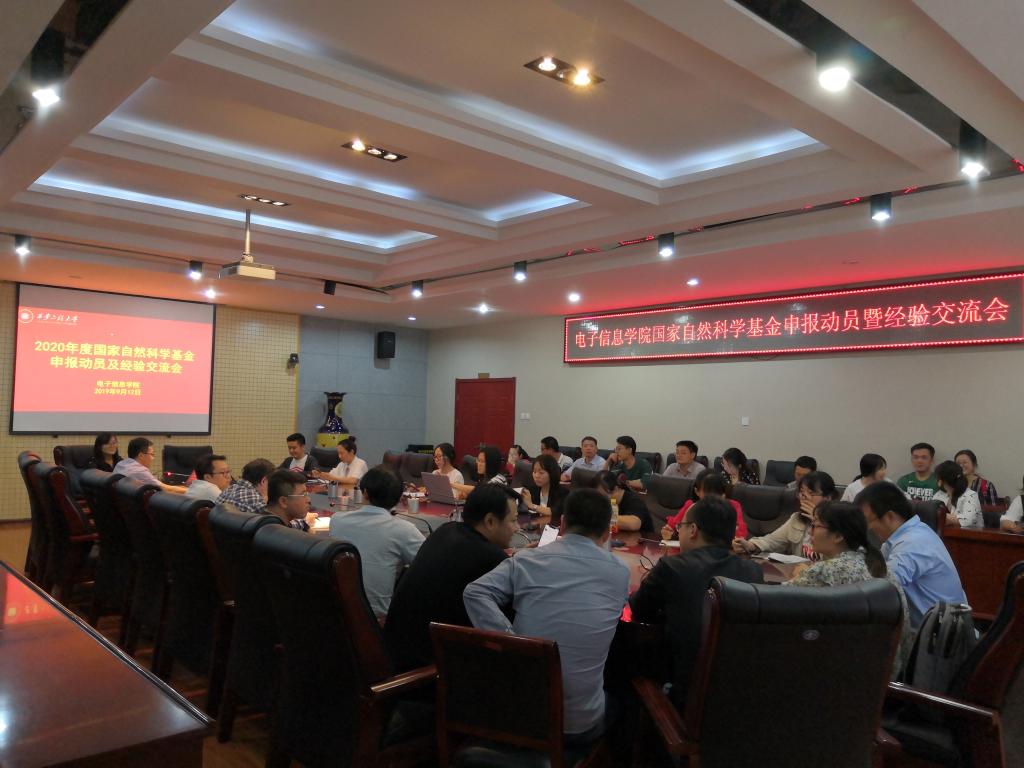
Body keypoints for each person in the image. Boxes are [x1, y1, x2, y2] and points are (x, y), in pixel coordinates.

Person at [464, 488, 630, 746]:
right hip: (576, 727)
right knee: (622, 694)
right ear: (607, 533)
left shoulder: (526, 560)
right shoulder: (621, 571)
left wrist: (512, 642)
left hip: (516, 717)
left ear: (561, 524)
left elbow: (475, 592)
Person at [630, 496, 763, 707]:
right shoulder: (753, 572)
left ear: (692, 530)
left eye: (681, 526)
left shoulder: (671, 567)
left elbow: (639, 609)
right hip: (739, 697)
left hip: (684, 696)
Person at [384, 484, 519, 671]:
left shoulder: (446, 530)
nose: (517, 528)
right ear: (490, 521)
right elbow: (513, 620)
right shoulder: (491, 559)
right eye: (513, 520)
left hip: (391, 651)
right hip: (428, 670)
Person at [784, 501, 912, 676]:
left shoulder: (826, 570)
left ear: (838, 536)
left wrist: (799, 575)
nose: (810, 532)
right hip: (885, 673)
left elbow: (775, 601)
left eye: (815, 526)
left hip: (842, 673)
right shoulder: (876, 563)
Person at [856, 481, 966, 629]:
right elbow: (873, 569)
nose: (867, 528)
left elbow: (880, 586)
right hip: (930, 629)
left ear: (889, 516)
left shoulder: (914, 543)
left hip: (940, 636)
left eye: (868, 521)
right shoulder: (903, 536)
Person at [328, 467, 423, 617]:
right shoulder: (404, 530)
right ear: (399, 498)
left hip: (335, 611)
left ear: (365, 492)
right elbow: (430, 565)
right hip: (376, 619)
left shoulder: (336, 520)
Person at [733, 471, 838, 559]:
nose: (804, 498)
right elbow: (771, 541)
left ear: (828, 498)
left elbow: (838, 561)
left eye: (811, 493)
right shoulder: (796, 519)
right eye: (802, 493)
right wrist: (749, 545)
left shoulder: (838, 525)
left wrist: (818, 521)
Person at [662, 469, 748, 540]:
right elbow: (674, 525)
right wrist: (669, 531)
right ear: (697, 491)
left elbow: (740, 533)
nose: (713, 497)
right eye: (708, 493)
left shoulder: (733, 506)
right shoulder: (691, 505)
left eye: (717, 492)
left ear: (724, 493)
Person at [112, 437, 186, 493]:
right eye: (152, 454)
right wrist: (189, 491)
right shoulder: (139, 471)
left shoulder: (121, 464)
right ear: (141, 455)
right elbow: (166, 489)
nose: (153, 458)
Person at [933, 460, 982, 528]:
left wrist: (942, 515)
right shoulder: (939, 495)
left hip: (969, 533)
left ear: (940, 481)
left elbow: (969, 520)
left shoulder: (970, 495)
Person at [522, 454, 570, 524]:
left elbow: (554, 512)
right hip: (535, 527)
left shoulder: (562, 492)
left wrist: (531, 505)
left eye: (541, 473)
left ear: (551, 473)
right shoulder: (532, 490)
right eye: (534, 472)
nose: (536, 476)